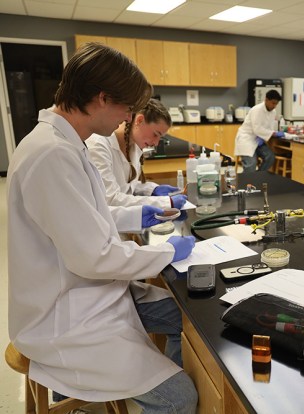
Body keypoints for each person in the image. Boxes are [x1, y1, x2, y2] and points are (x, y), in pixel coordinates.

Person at [7, 42, 198, 412]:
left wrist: (134, 216)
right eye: (126, 108)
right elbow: (93, 257)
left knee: (183, 319)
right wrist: (164, 252)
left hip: (90, 295)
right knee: (179, 397)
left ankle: (150, 373)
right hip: (65, 318)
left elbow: (83, 218)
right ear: (102, 98)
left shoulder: (66, 143)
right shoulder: (52, 153)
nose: (126, 119)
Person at [87, 98, 187, 209]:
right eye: (155, 134)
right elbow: (111, 199)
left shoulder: (134, 146)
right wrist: (166, 203)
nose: (156, 143)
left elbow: (128, 187)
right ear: (139, 120)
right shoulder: (98, 145)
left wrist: (152, 189)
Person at [234, 89, 284, 174]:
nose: (274, 106)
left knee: (270, 157)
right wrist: (272, 133)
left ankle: (259, 176)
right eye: (273, 103)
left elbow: (269, 127)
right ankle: (247, 181)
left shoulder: (273, 112)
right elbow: (257, 129)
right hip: (246, 139)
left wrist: (271, 132)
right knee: (251, 164)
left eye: (276, 104)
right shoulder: (256, 110)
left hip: (258, 140)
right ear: (266, 100)